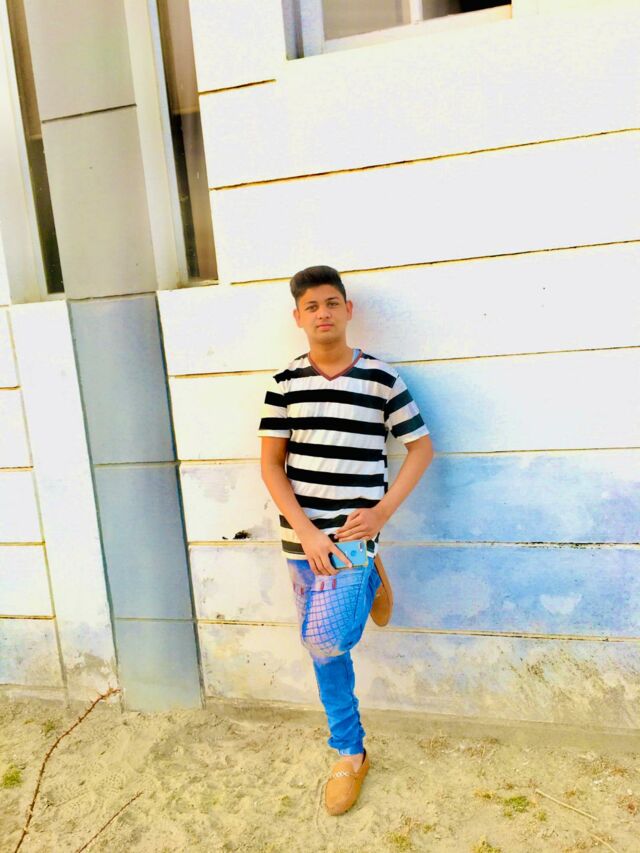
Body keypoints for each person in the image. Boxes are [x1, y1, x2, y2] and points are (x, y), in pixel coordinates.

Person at [258, 265, 434, 815]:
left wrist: (383, 512)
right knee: (322, 651)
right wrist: (306, 532)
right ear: (298, 317)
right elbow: (271, 466)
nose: (323, 313)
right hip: (304, 540)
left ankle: (369, 574)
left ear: (348, 309)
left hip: (355, 536)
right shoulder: (284, 383)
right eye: (312, 306)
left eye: (332, 303)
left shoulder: (382, 378)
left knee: (325, 640)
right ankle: (349, 752)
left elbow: (421, 448)